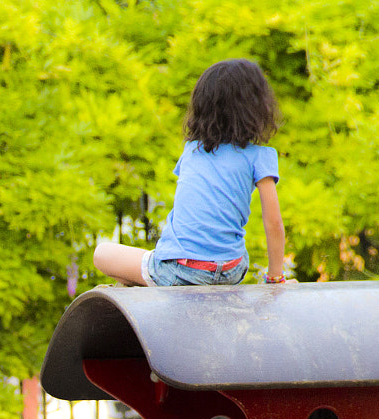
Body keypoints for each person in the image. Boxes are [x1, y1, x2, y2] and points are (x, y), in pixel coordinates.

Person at [94, 58, 289, 287]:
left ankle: (148, 282)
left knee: (103, 253)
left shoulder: (192, 151)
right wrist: (275, 278)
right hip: (231, 270)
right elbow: (273, 222)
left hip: (181, 271)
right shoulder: (260, 156)